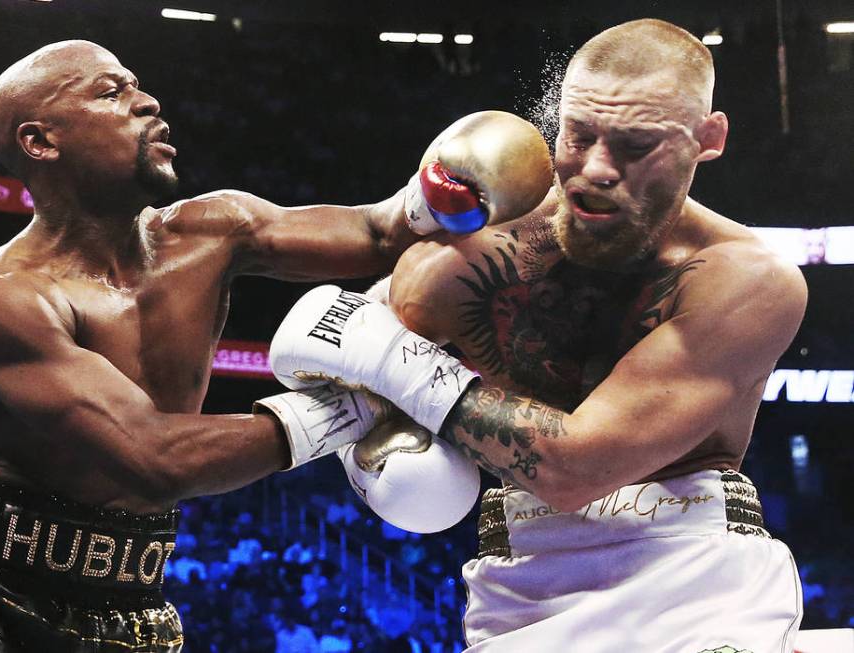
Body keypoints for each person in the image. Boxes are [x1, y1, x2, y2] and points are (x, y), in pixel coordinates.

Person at [269, 19, 807, 652]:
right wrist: (362, 451)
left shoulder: (744, 279)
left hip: (699, 582)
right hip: (519, 592)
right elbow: (343, 369)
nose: (597, 169)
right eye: (579, 136)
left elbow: (578, 466)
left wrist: (389, 359)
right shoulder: (464, 261)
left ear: (707, 139)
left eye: (636, 144)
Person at [0, 39, 427, 652]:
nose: (148, 102)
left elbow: (382, 232)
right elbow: (156, 459)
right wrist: (364, 404)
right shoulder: (1, 300)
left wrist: (458, 185)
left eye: (137, 85)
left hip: (141, 608)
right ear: (41, 142)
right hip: (2, 609)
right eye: (111, 93)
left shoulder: (213, 230)